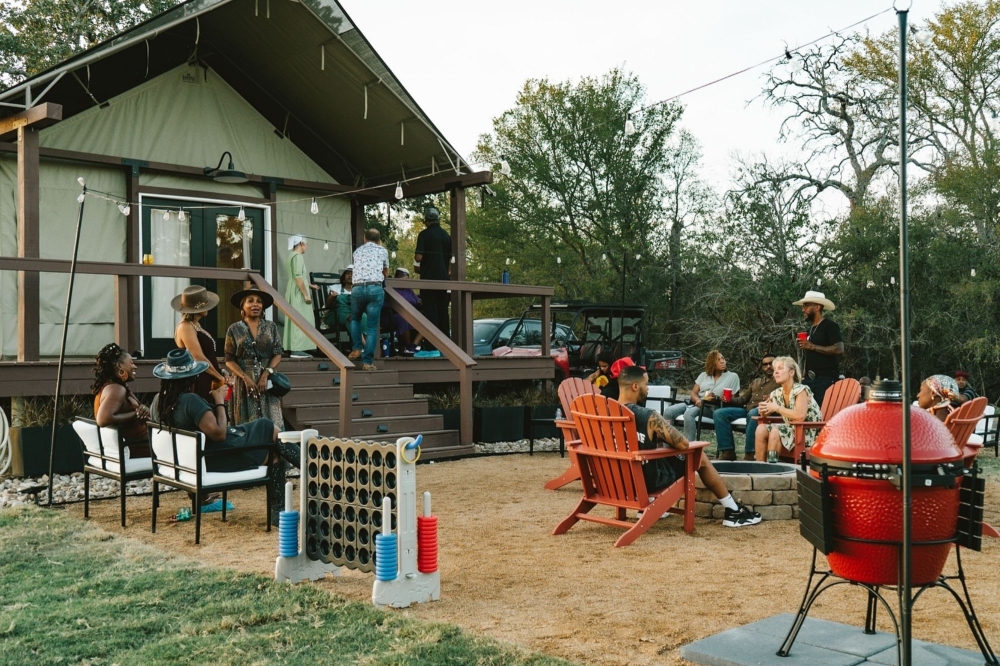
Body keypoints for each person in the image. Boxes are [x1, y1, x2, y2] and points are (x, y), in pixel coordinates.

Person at [154, 348, 288, 525]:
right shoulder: (190, 401)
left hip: (190, 462)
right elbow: (220, 433)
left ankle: (306, 471)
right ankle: (304, 475)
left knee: (264, 426)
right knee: (271, 438)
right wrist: (219, 400)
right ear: (192, 378)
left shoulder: (159, 402)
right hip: (216, 459)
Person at [617, 364, 762, 527]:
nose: (648, 388)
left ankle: (652, 503)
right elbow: (683, 443)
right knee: (699, 456)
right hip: (645, 481)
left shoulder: (604, 412)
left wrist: (656, 434)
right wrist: (664, 427)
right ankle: (733, 510)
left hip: (617, 481)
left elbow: (631, 439)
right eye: (646, 384)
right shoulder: (647, 416)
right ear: (635, 386)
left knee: (662, 451)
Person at [224, 286, 284, 428]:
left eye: (259, 301)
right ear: (243, 306)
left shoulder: (271, 327)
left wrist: (265, 374)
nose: (255, 304)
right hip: (244, 384)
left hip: (267, 383)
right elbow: (229, 359)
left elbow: (278, 354)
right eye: (250, 301)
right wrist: (245, 378)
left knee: (273, 424)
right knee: (246, 425)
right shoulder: (234, 329)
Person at [661, 350, 740, 441]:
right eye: (718, 360)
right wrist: (697, 400)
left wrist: (719, 398)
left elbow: (735, 399)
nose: (722, 361)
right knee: (669, 411)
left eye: (723, 358)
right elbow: (693, 393)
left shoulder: (732, 377)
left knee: (689, 414)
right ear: (711, 363)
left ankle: (689, 446)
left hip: (713, 407)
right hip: (696, 403)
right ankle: (668, 444)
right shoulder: (703, 375)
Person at [755, 356, 822, 461]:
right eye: (775, 369)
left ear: (791, 372)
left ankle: (771, 466)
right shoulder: (776, 393)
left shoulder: (801, 390)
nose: (775, 372)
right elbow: (765, 413)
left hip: (806, 433)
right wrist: (763, 411)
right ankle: (760, 466)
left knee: (775, 431)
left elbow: (800, 416)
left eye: (780, 368)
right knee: (761, 429)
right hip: (790, 429)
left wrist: (776, 408)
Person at [713, 355, 779, 461]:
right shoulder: (756, 381)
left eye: (770, 363)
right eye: (765, 364)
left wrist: (772, 398)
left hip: (765, 411)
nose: (768, 366)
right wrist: (729, 399)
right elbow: (743, 399)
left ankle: (750, 454)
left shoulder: (779, 381)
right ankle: (727, 452)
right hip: (747, 410)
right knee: (719, 413)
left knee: (752, 413)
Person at [171, 285, 230, 404]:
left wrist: (221, 371)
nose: (209, 307)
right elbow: (198, 358)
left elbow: (208, 355)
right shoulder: (185, 326)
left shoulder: (195, 324)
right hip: (199, 380)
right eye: (205, 305)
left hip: (210, 377)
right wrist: (219, 377)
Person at [91, 342, 151, 459]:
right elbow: (103, 419)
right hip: (140, 450)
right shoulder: (116, 389)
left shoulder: (118, 386)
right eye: (131, 362)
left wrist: (143, 410)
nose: (135, 366)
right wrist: (135, 414)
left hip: (141, 446)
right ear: (119, 366)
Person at [793, 290, 844, 406]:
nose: (803, 309)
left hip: (825, 380)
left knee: (822, 412)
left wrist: (812, 346)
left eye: (806, 306)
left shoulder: (830, 326)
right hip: (809, 380)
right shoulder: (810, 329)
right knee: (806, 411)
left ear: (817, 307)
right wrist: (804, 375)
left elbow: (839, 349)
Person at [349, 228, 389, 371]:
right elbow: (385, 272)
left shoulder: (357, 252)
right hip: (374, 288)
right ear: (378, 240)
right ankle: (367, 363)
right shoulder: (382, 251)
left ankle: (356, 348)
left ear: (364, 239)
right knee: (372, 327)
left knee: (355, 319)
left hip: (357, 288)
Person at [414, 206, 452, 342]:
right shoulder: (446, 236)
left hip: (428, 280)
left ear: (426, 220)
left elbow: (419, 257)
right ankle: (446, 343)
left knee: (430, 312)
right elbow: (450, 259)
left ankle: (432, 345)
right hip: (444, 280)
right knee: (443, 311)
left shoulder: (424, 235)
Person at [283, 235, 319, 359]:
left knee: (293, 318)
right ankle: (297, 349)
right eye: (306, 244)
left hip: (292, 289)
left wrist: (310, 286)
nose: (306, 247)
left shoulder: (291, 256)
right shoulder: (298, 257)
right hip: (298, 292)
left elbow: (297, 277)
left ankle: (291, 347)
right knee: (300, 318)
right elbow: (298, 277)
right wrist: (305, 295)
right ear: (301, 244)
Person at [389, 268, 424, 354]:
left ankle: (413, 345)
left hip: (412, 313)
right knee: (403, 318)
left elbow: (416, 300)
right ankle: (407, 345)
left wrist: (420, 301)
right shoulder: (392, 289)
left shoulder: (409, 290)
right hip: (397, 314)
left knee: (427, 319)